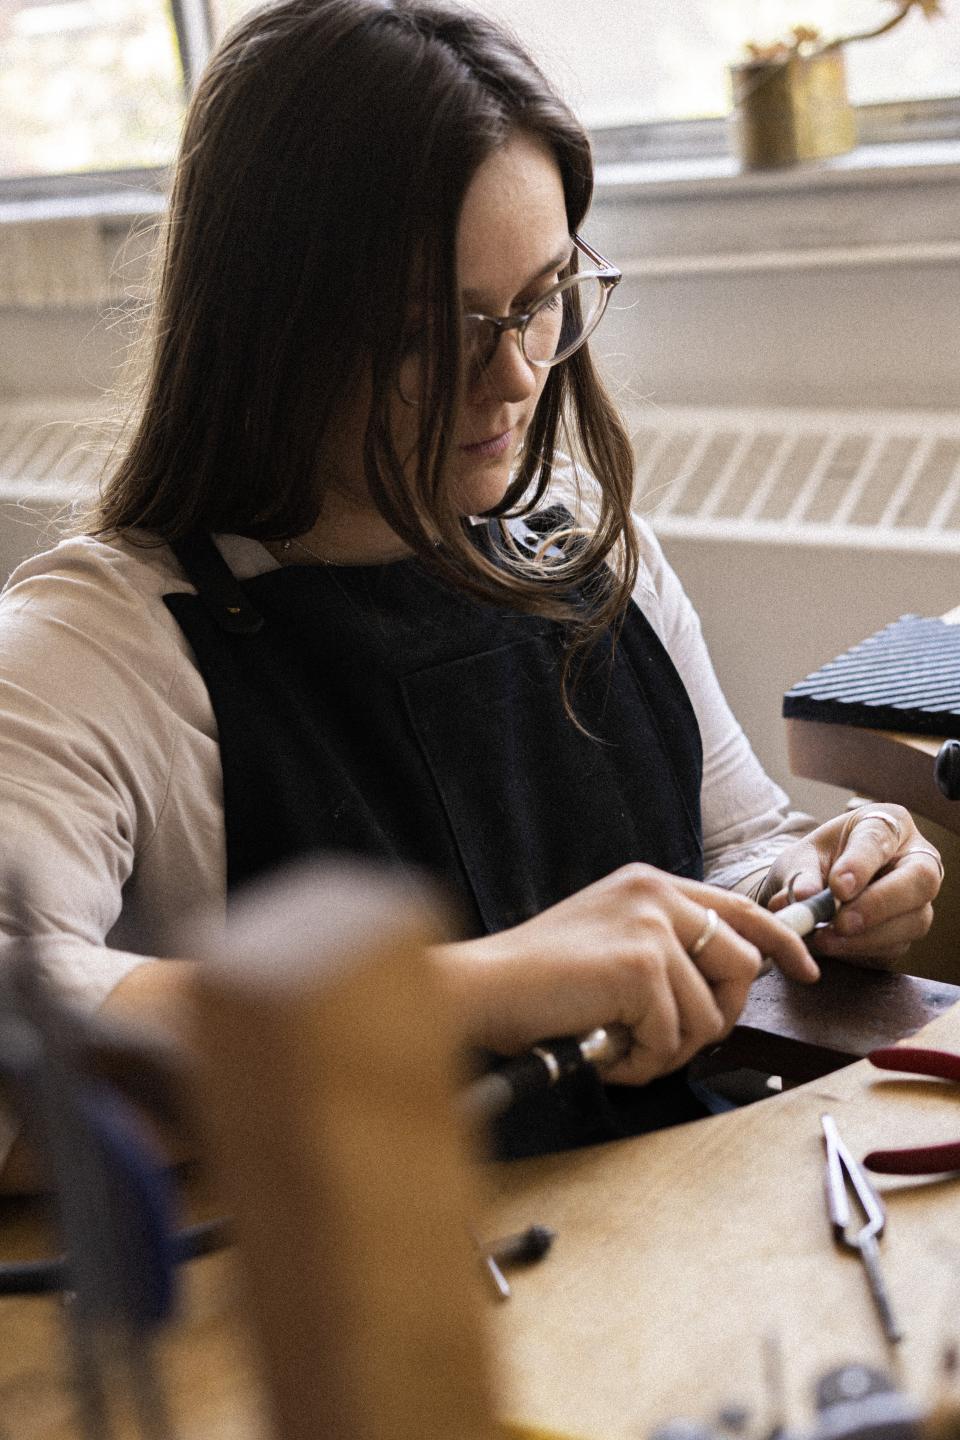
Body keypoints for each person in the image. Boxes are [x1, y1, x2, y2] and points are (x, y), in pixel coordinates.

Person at [0, 0, 941, 1180]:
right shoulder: (93, 647)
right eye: (425, 332)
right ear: (265, 325)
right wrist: (481, 988)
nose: (512, 378)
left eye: (542, 298)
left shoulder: (600, 557)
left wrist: (823, 876)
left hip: (675, 1236)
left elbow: (735, 849)